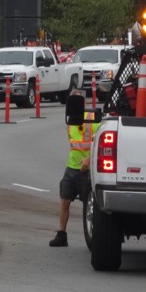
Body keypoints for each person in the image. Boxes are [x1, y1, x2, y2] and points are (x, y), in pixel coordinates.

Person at [49, 91, 96, 247]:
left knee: (90, 205)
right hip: (71, 167)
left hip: (87, 170)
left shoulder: (93, 120)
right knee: (64, 201)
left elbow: (99, 143)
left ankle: (95, 236)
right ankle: (61, 235)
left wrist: (89, 160)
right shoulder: (70, 121)